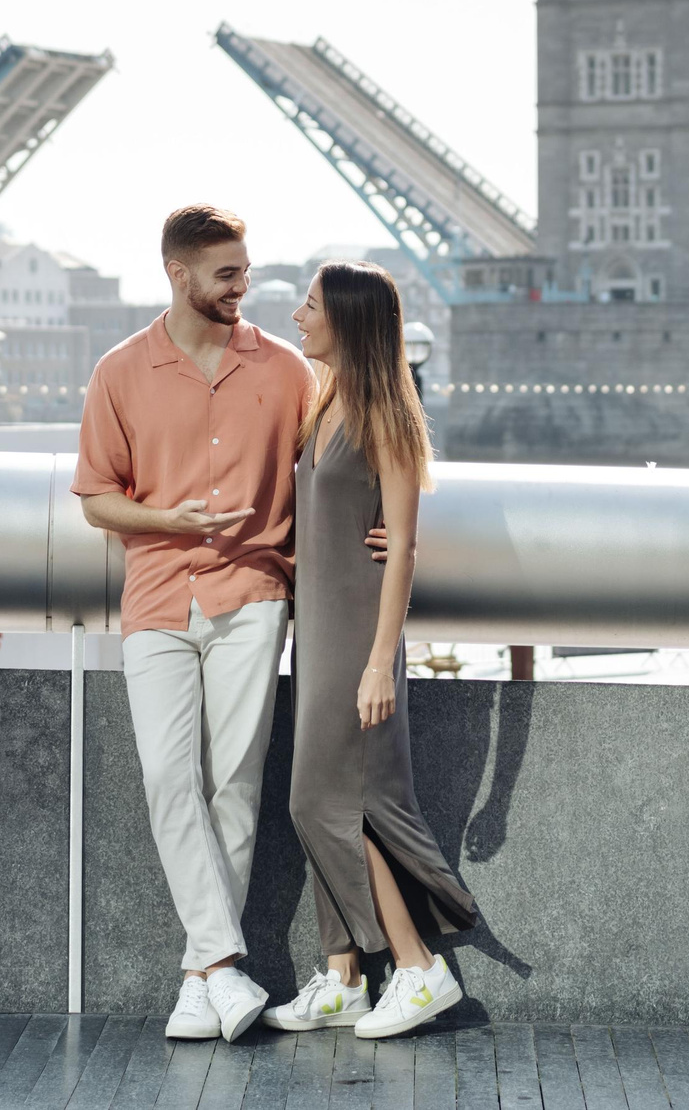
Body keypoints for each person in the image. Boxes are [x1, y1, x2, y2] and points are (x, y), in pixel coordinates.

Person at [73, 205, 315, 1044]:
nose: (243, 287)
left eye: (245, 270)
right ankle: (218, 964)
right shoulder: (119, 370)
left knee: (236, 784)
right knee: (167, 775)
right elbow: (96, 496)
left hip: (253, 592)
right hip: (156, 597)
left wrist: (386, 519)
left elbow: (342, 456)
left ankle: (197, 978)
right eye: (227, 274)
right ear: (178, 274)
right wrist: (165, 520)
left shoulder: (286, 371)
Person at [264, 260, 478, 1040]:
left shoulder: (383, 414)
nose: (297, 316)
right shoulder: (323, 405)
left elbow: (406, 547)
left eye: (310, 306)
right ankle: (345, 977)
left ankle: (418, 966)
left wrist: (379, 660)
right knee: (329, 800)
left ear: (347, 320)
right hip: (318, 629)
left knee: (326, 802)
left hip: (358, 634)